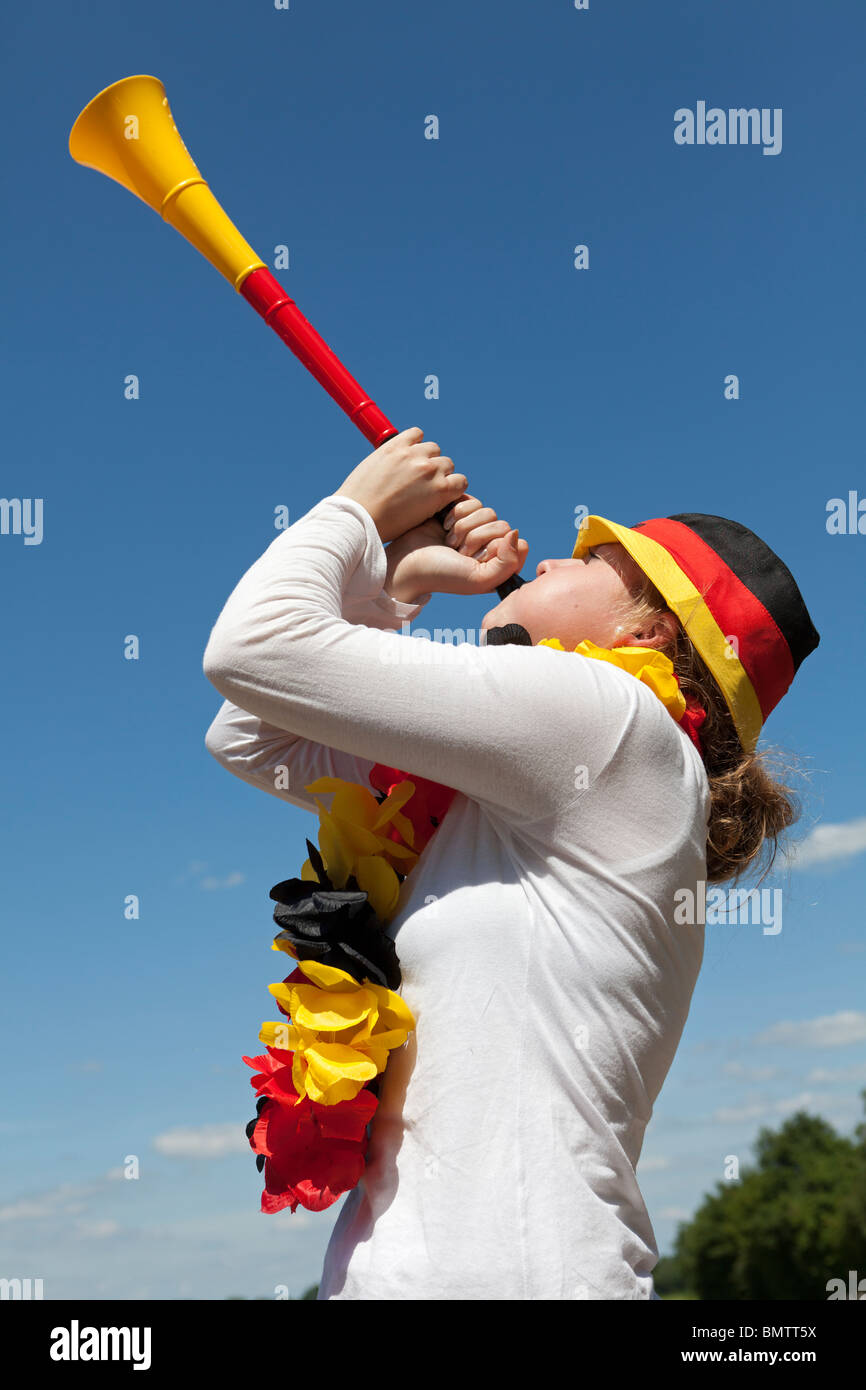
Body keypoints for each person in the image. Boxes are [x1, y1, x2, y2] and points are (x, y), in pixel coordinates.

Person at [202, 427, 819, 1300]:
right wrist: (398, 583)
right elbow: (251, 730)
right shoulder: (515, 788)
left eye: (590, 560)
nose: (554, 562)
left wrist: (358, 508)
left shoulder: (610, 724)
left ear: (647, 628)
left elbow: (251, 651)